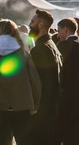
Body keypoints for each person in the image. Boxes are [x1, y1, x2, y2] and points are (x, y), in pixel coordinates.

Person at [0, 19, 41, 145]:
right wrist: (35, 104)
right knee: (24, 140)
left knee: (0, 141)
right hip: (22, 104)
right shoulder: (22, 52)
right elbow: (34, 80)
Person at [28, 9, 63, 145]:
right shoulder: (50, 44)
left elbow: (39, 83)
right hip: (52, 110)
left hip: (43, 112)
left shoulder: (40, 49)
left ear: (41, 24)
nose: (30, 24)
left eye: (32, 21)